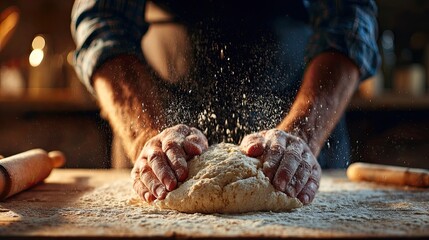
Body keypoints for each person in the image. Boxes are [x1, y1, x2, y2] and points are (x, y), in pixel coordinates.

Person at [71, 0, 380, 205]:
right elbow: (104, 22)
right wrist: (146, 137)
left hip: (302, 129)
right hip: (155, 128)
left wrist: (302, 135)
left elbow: (348, 20)